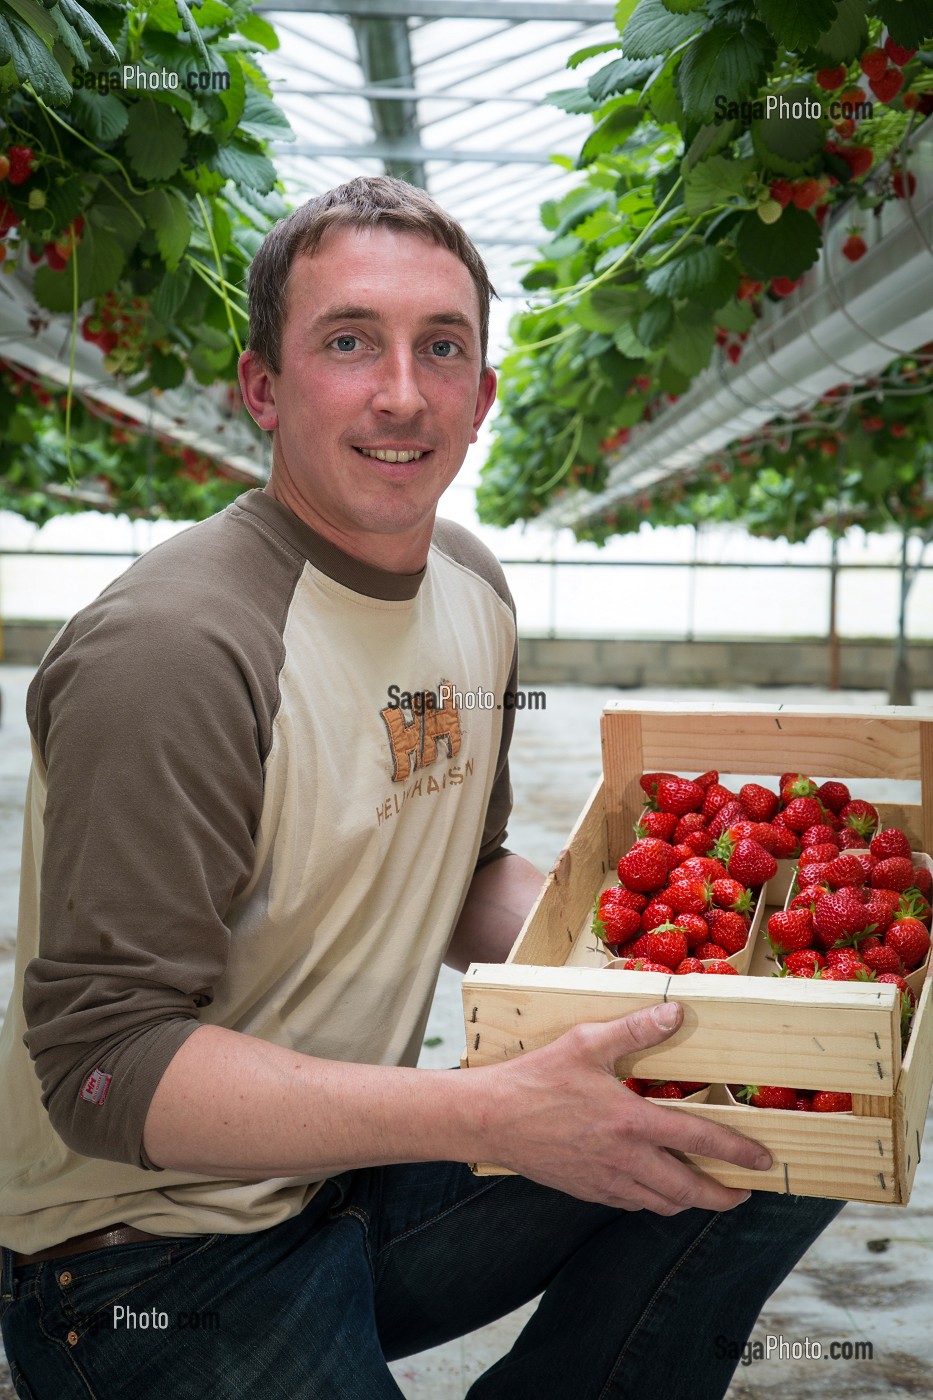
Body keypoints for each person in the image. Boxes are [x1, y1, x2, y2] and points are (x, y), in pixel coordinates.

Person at [0, 176, 841, 1399]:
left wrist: (682, 959)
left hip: (346, 1176)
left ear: (483, 395)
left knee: (794, 1111)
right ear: (264, 388)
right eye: (349, 342)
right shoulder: (177, 649)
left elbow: (461, 873)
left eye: (440, 347)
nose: (402, 392)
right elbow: (102, 1068)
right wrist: (489, 1116)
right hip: (144, 1267)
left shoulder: (472, 589)